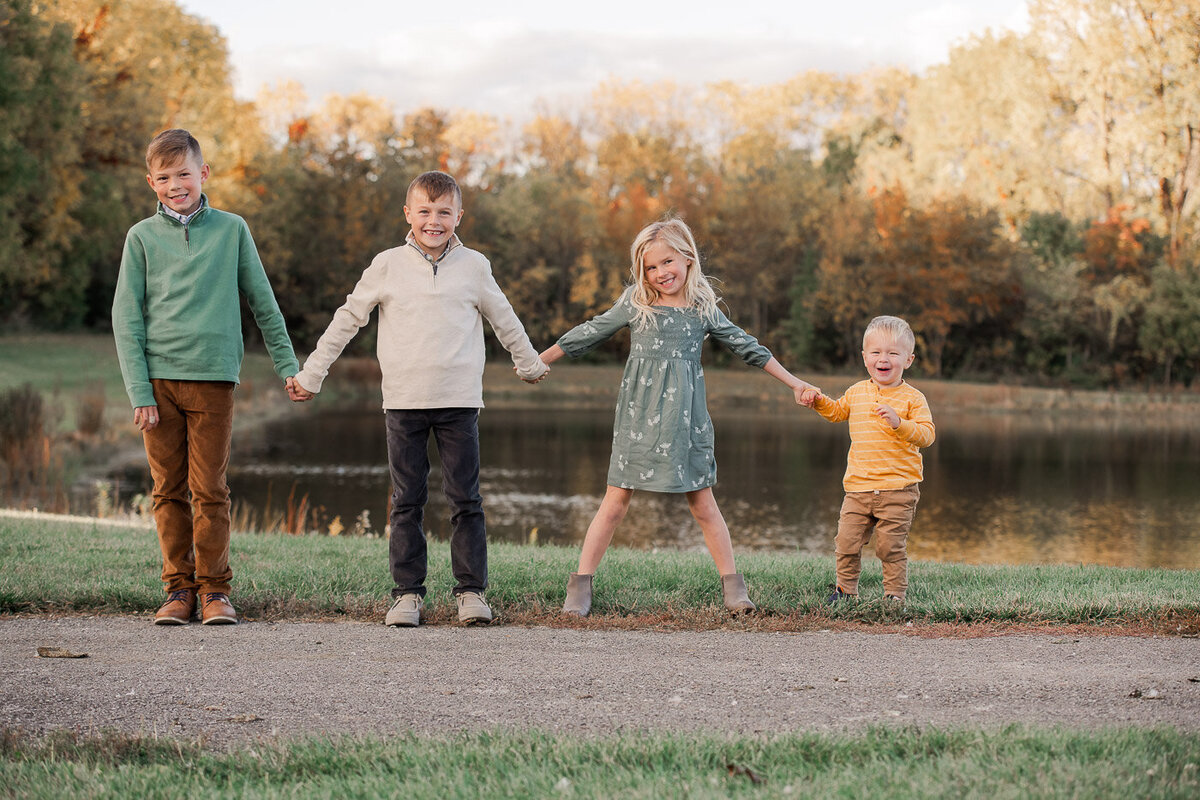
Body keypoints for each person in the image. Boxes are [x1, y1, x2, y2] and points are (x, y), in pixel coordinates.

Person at [288, 170, 548, 628]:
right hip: (404, 402)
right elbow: (348, 319)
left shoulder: (475, 267)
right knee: (406, 499)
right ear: (407, 214)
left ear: (458, 216)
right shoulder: (386, 264)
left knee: (465, 498)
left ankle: (471, 593)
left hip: (459, 401)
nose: (434, 221)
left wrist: (527, 363)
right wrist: (313, 373)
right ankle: (407, 595)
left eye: (443, 212)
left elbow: (504, 318)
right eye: (424, 211)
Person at [538, 217, 818, 617]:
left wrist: (794, 383)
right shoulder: (637, 302)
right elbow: (591, 332)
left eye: (667, 262)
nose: (659, 273)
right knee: (615, 501)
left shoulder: (703, 307)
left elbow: (747, 346)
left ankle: (734, 589)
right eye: (650, 267)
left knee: (703, 502)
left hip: (685, 420)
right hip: (639, 415)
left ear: (687, 258)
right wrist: (539, 361)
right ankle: (580, 586)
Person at [112, 129, 300, 626]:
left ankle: (215, 590)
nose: (176, 184)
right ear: (152, 182)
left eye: (185, 174)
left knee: (210, 489)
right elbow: (126, 317)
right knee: (166, 490)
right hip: (158, 384)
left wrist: (288, 366)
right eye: (165, 177)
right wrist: (139, 390)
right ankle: (179, 590)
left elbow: (263, 302)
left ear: (204, 174)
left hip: (214, 380)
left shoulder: (232, 229)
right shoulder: (141, 238)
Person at [800, 315, 936, 606]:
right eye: (876, 352)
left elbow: (927, 435)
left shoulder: (913, 398)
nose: (883, 359)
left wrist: (900, 423)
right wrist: (818, 400)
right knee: (846, 543)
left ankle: (894, 595)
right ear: (865, 358)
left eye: (892, 353)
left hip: (898, 489)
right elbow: (836, 412)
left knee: (890, 547)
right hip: (858, 488)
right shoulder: (857, 392)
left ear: (908, 360)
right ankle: (846, 592)